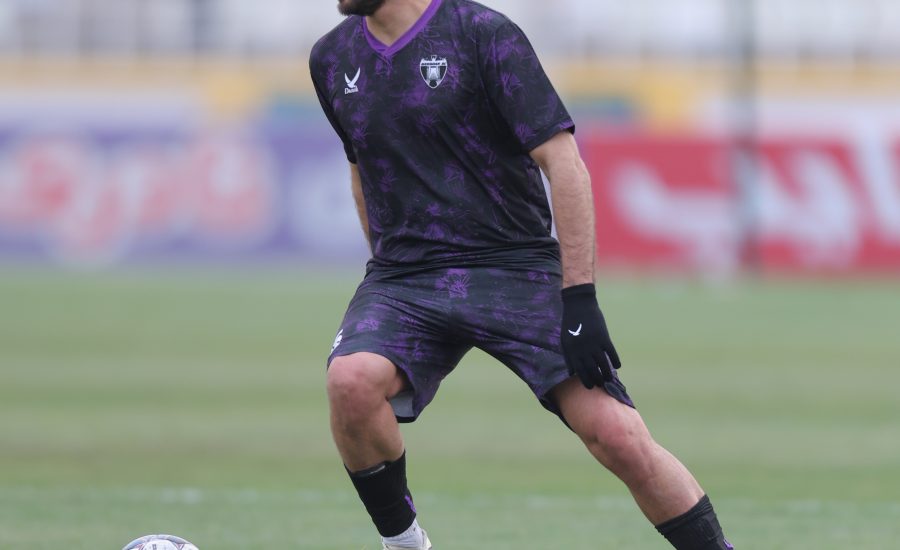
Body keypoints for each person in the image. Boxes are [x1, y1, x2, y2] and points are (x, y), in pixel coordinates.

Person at [310, 1, 733, 548]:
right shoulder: (331, 58)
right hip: (405, 277)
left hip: (514, 266)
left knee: (617, 436)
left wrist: (580, 299)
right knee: (350, 380)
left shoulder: (483, 34)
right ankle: (406, 545)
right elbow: (361, 167)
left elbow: (565, 164)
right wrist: (386, 275)